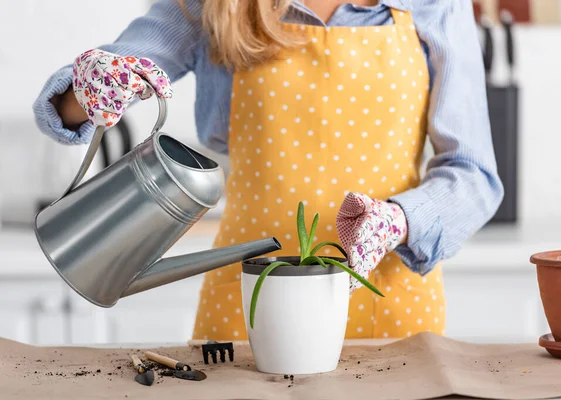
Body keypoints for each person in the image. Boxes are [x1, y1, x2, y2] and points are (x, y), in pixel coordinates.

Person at [33, 0, 504, 341]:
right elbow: (87, 94)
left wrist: (400, 220)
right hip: (246, 306)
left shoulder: (435, 7)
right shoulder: (217, 6)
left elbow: (474, 173)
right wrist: (91, 88)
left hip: (387, 304)